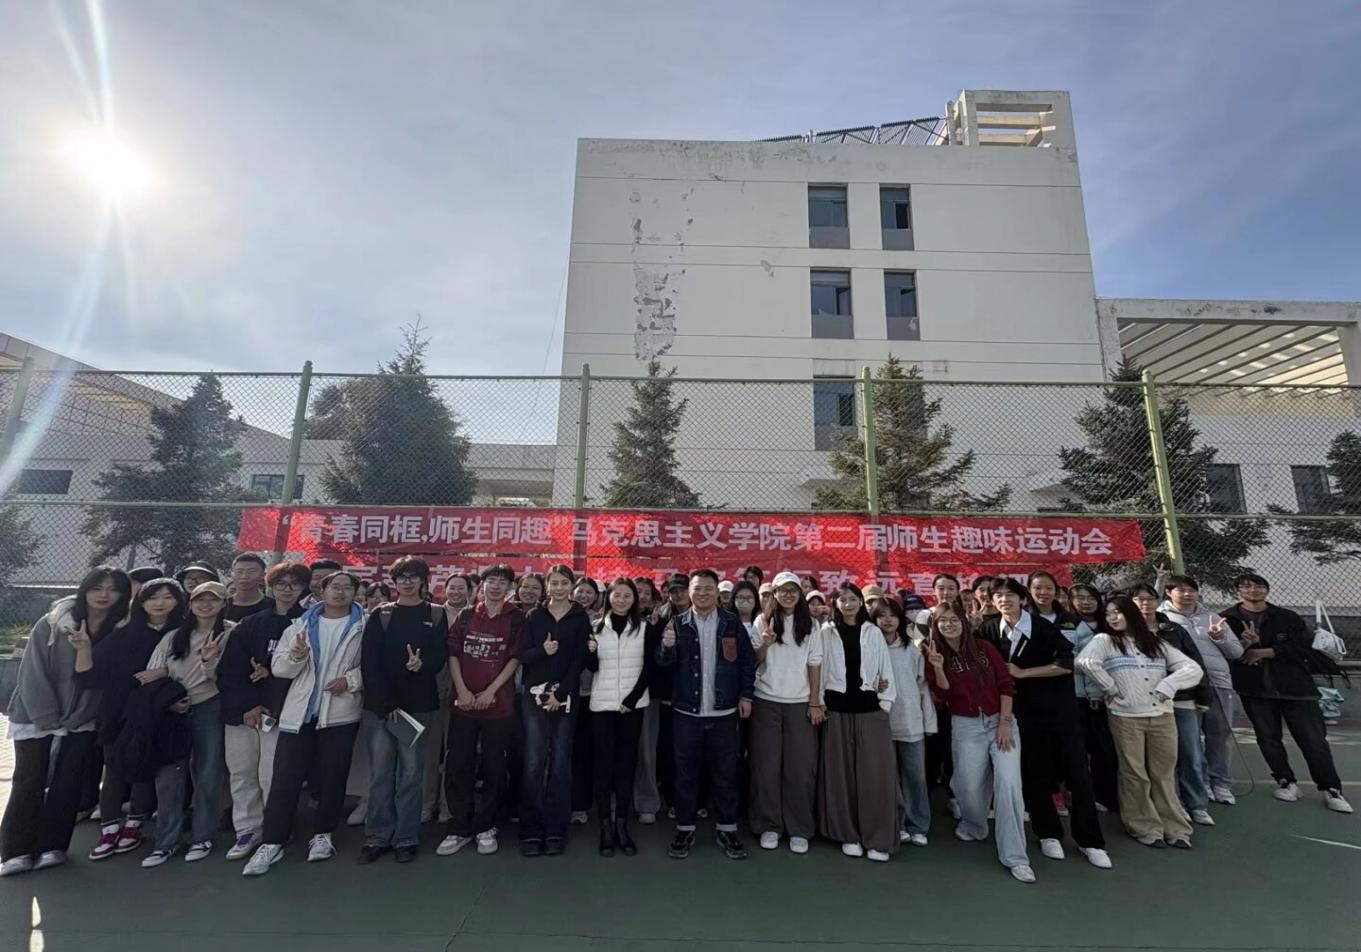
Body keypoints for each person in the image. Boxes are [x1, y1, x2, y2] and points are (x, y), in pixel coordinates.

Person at [1, 567, 133, 877]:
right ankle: (16, 851)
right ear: (85, 589)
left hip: (82, 720)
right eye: (97, 588)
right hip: (35, 716)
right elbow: (33, 671)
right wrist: (44, 715)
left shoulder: (122, 631)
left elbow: (106, 682)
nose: (104, 595)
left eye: (113, 589)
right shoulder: (52, 623)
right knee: (29, 780)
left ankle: (54, 847)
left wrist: (81, 715)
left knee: (68, 782)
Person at [977, 578, 1110, 869]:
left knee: (1077, 775)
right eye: (998, 596)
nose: (1004, 600)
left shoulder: (1044, 628)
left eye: (1010, 595)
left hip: (1060, 712)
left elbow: (1065, 664)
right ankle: (1048, 833)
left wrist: (1023, 673)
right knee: (1035, 773)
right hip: (1021, 714)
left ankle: (1090, 840)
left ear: (1023, 599)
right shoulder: (988, 629)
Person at [243, 571, 366, 876]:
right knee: (285, 780)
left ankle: (323, 835)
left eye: (347, 588)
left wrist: (350, 681)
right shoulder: (298, 626)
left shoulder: (364, 626)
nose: (340, 592)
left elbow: (373, 666)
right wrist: (297, 657)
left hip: (339, 714)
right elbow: (280, 668)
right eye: (334, 586)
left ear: (355, 593)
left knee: (332, 778)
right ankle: (272, 842)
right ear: (321, 591)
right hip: (298, 715)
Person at [1076, 594, 1203, 849]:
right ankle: (1144, 826)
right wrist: (1111, 688)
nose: (1113, 618)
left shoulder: (1154, 642)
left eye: (1118, 612)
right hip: (1125, 717)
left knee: (1163, 773)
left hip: (1162, 716)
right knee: (1134, 772)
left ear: (1131, 613)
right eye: (1108, 614)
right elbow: (1085, 661)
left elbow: (1192, 668)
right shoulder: (1104, 641)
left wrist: (1169, 685)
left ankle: (1175, 828)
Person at [1221, 573, 1351, 813]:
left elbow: (1303, 647)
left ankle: (1331, 788)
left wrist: (1265, 651)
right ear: (1237, 590)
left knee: (1313, 740)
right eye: (1246, 586)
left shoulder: (1287, 617)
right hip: (1255, 690)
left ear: (1267, 589)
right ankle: (1286, 781)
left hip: (1296, 689)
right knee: (1268, 738)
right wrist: (1246, 645)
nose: (1253, 590)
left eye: (1259, 585)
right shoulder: (1226, 619)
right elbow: (1226, 652)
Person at [924, 603, 1034, 883]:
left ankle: (1016, 857)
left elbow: (1006, 685)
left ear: (964, 622)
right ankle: (974, 825)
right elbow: (944, 697)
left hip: (1001, 722)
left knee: (1008, 785)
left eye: (954, 619)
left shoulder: (984, 648)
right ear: (935, 626)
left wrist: (1005, 722)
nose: (949, 624)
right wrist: (938, 668)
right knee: (967, 787)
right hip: (966, 726)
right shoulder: (934, 655)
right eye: (942, 621)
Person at [78, 577, 187, 861]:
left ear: (179, 602)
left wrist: (163, 678)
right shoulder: (124, 634)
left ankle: (134, 825)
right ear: (141, 602)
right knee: (114, 769)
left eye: (168, 597)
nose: (159, 603)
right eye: (152, 597)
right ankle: (109, 829)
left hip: (157, 713)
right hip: (118, 712)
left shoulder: (182, 633)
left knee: (145, 768)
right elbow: (91, 676)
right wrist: (83, 649)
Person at [657, 569, 754, 860]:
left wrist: (745, 695)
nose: (702, 594)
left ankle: (727, 828)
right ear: (689, 592)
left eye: (708, 588)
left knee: (725, 773)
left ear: (717, 592)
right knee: (686, 774)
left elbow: (746, 662)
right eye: (697, 588)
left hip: (724, 712)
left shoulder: (731, 623)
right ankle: (685, 828)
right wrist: (666, 648)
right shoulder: (677, 623)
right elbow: (662, 665)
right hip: (687, 712)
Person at [357, 557, 448, 864]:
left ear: (423, 580)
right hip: (381, 709)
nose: (407, 582)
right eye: (401, 577)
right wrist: (386, 704)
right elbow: (369, 663)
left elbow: (439, 656)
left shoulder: (435, 614)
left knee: (411, 775)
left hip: (417, 709)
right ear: (394, 582)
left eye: (413, 577)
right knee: (380, 775)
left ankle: (406, 837)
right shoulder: (381, 615)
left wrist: (421, 665)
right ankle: (377, 836)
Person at [217, 561, 307, 862]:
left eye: (294, 584)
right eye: (281, 583)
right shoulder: (251, 624)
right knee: (242, 772)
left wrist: (270, 685)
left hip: (282, 713)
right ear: (271, 586)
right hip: (242, 713)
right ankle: (247, 829)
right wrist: (249, 704)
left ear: (303, 588)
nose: (287, 589)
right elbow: (231, 669)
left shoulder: (309, 623)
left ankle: (275, 828)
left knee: (273, 775)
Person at [139, 581, 233, 866]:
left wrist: (209, 661)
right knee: (169, 777)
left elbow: (228, 677)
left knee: (208, 774)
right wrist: (168, 700)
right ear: (190, 604)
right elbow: (154, 673)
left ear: (223, 603)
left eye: (213, 599)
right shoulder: (174, 637)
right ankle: (166, 842)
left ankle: (202, 837)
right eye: (199, 599)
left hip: (211, 708)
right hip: (173, 712)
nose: (206, 605)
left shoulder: (233, 633)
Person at [437, 565, 524, 858]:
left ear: (510, 587)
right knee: (457, 765)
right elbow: (453, 654)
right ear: (482, 585)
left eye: (502, 582)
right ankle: (459, 827)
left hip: (498, 706)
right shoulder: (465, 616)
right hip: (463, 705)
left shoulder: (516, 618)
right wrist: (462, 691)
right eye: (491, 581)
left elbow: (514, 658)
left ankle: (486, 826)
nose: (496, 586)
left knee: (494, 767)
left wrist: (491, 692)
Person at [818, 582, 896, 862]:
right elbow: (818, 668)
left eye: (853, 599)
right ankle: (848, 835)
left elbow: (886, 671)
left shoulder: (872, 632)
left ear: (861, 602)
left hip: (870, 711)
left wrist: (884, 703)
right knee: (840, 777)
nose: (848, 604)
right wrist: (820, 703)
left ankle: (877, 838)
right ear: (835, 603)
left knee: (874, 777)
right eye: (842, 599)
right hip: (836, 712)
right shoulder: (825, 632)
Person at [748, 572, 823, 855]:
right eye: (782, 590)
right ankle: (769, 825)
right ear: (775, 594)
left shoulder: (811, 625)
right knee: (766, 766)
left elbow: (815, 663)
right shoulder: (762, 621)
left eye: (793, 590)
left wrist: (814, 702)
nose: (788, 595)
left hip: (800, 703)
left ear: (800, 594)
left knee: (800, 769)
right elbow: (753, 660)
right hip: (766, 701)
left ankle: (799, 828)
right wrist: (765, 643)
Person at [518, 564, 591, 856]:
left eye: (564, 583)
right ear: (547, 586)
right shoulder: (533, 616)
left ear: (571, 587)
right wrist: (542, 652)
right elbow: (522, 654)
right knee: (534, 762)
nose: (559, 588)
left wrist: (560, 693)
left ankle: (556, 829)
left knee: (561, 763)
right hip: (534, 698)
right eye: (554, 583)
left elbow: (580, 660)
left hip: (566, 698)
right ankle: (531, 830)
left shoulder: (580, 617)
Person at [1129, 583, 1215, 826]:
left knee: (1190, 753)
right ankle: (1171, 804)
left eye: (1149, 599)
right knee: (1159, 759)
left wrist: (1202, 696)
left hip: (1181, 700)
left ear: (1158, 602)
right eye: (1139, 599)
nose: (1145, 604)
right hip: (1145, 703)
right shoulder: (1124, 632)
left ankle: (1196, 804)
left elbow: (1195, 662)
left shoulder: (1173, 629)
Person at [586, 578, 658, 856]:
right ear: (609, 597)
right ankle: (605, 826)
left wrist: (632, 699)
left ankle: (621, 825)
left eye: (628, 596)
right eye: (617, 595)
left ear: (635, 600)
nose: (622, 600)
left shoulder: (645, 628)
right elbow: (592, 667)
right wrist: (590, 653)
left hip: (632, 708)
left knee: (626, 766)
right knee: (603, 766)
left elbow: (650, 667)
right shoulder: (595, 628)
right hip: (601, 706)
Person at [1158, 574, 1242, 805]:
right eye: (1181, 590)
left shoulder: (1213, 617)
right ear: (1169, 593)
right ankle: (1200, 782)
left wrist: (1220, 637)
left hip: (1217, 682)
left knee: (1219, 736)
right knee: (1190, 740)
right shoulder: (1161, 618)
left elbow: (1236, 652)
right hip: (1184, 687)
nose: (1187, 594)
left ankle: (1220, 782)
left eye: (1192, 590)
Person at [876, 598, 936, 847]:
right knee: (888, 778)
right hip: (881, 723)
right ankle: (898, 824)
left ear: (900, 619)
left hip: (911, 722)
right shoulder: (870, 650)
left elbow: (922, 688)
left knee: (915, 777)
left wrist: (929, 723)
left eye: (892, 615)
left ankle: (918, 825)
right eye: (882, 615)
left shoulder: (912, 651)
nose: (887, 620)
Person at [1066, 584, 1118, 813]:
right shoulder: (1068, 624)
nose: (1086, 602)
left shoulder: (1110, 623)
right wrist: (1090, 693)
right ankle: (1082, 795)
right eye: (1080, 598)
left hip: (1111, 696)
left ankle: (1106, 796)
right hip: (1080, 697)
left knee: (1106, 751)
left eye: (1090, 598)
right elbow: (1075, 661)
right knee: (1080, 751)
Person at [226, 553, 272, 622]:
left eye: (251, 571)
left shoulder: (273, 607)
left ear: (263, 575)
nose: (244, 576)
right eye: (239, 571)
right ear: (232, 574)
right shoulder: (221, 606)